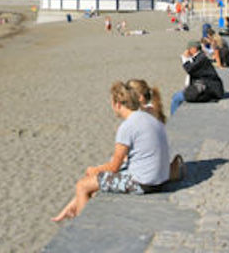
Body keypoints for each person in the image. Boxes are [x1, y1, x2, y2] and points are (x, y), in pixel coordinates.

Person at [52, 81, 172, 222]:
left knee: (82, 185)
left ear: (118, 104)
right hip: (161, 178)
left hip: (144, 184)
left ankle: (84, 225)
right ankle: (73, 208)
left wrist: (95, 169)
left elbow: (113, 167)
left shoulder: (127, 126)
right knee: (96, 178)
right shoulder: (149, 118)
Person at [126, 79, 185, 181]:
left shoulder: (141, 117)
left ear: (139, 98)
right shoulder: (154, 110)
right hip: (160, 165)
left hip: (148, 172)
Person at [170, 41, 224, 115]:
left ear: (194, 49)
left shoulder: (201, 59)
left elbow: (189, 69)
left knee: (176, 98)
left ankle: (173, 120)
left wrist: (184, 58)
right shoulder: (201, 56)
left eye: (189, 49)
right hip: (209, 87)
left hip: (209, 90)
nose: (188, 51)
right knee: (176, 96)